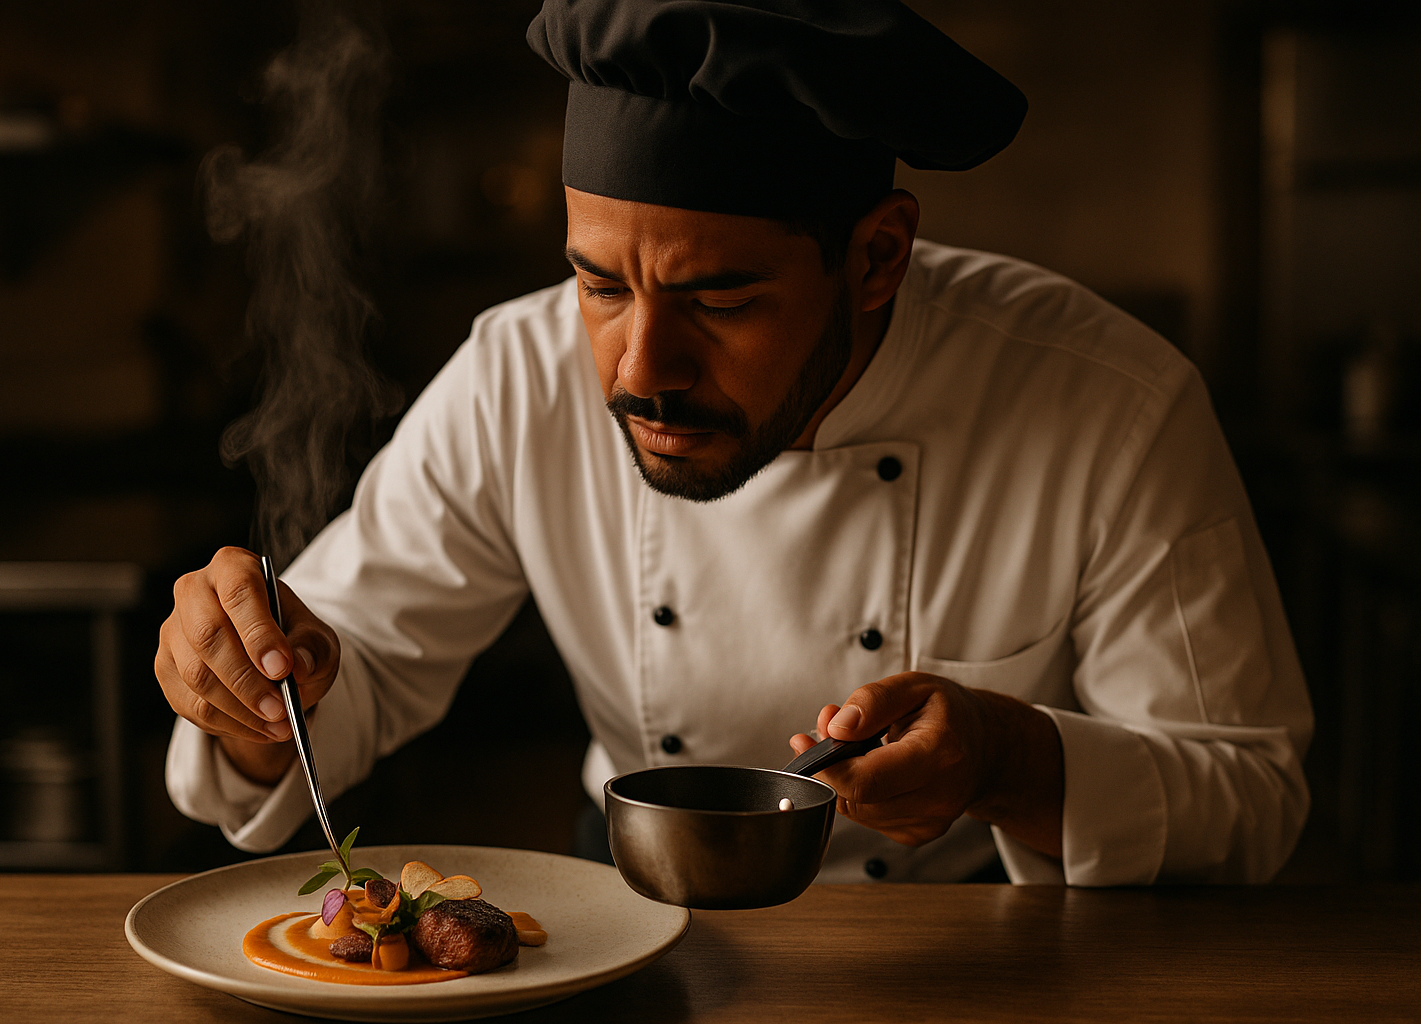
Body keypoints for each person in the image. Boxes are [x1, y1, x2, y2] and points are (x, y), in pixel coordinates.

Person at [160, 0, 1313, 885]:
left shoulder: (1113, 401)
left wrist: (1013, 765)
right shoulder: (516, 373)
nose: (637, 369)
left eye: (718, 301)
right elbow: (354, 657)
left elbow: (1250, 794)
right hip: (636, 932)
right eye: (599, 282)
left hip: (985, 955)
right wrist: (258, 688)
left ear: (875, 258)